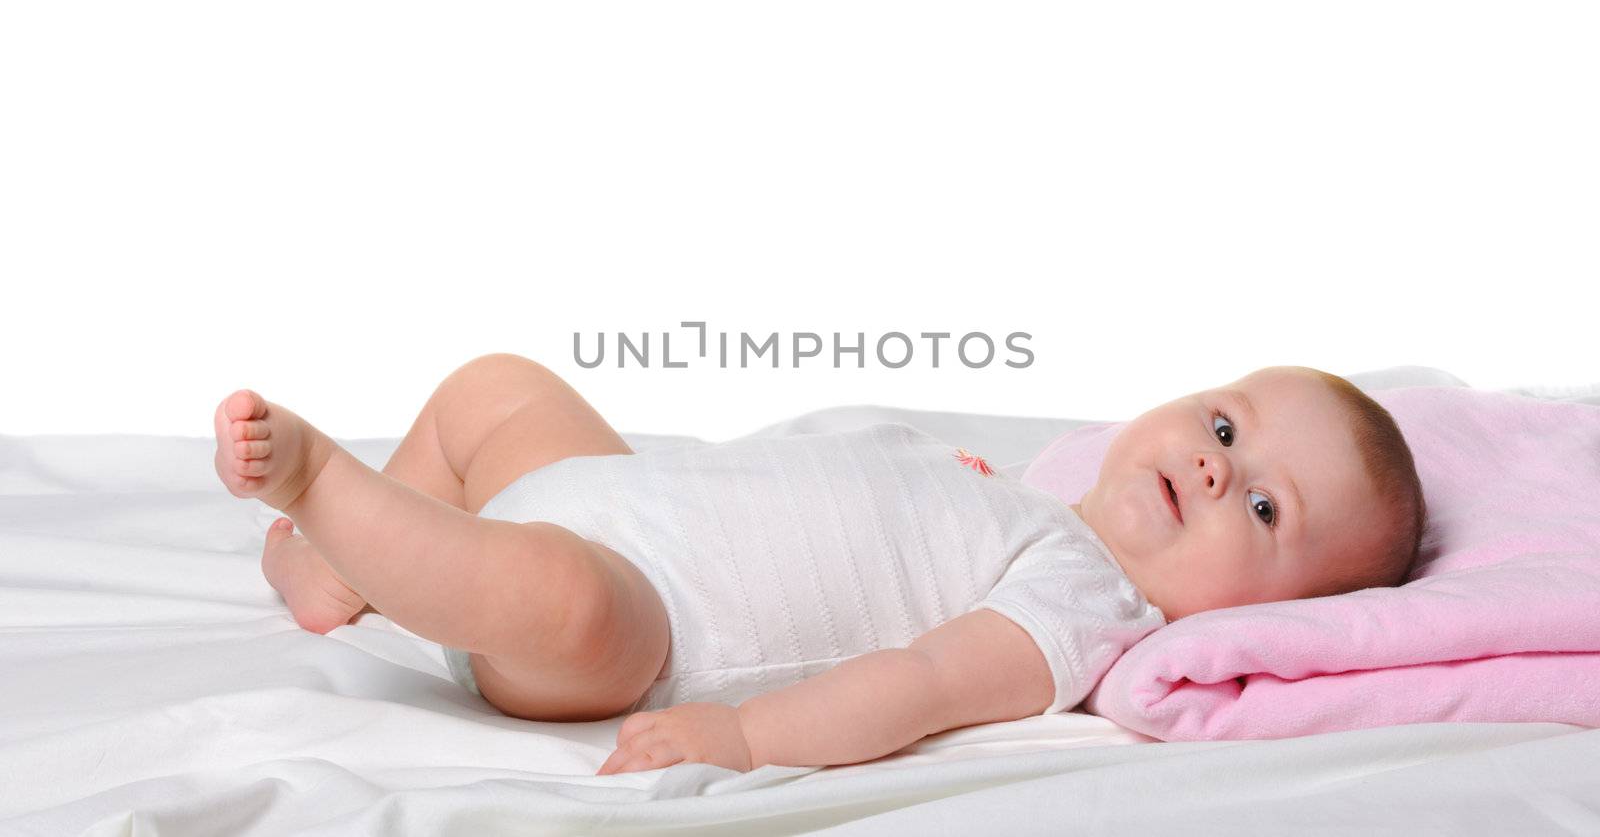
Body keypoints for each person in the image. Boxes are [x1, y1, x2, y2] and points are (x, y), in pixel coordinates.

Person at [213, 355, 1424, 775]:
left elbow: (923, 677)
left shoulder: (1083, 604)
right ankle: (329, 567)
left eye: (1264, 505)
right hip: (617, 487)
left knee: (562, 600)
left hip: (644, 616)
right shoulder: (1011, 488)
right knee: (496, 389)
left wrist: (749, 738)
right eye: (1222, 426)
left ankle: (325, 491)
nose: (1217, 467)